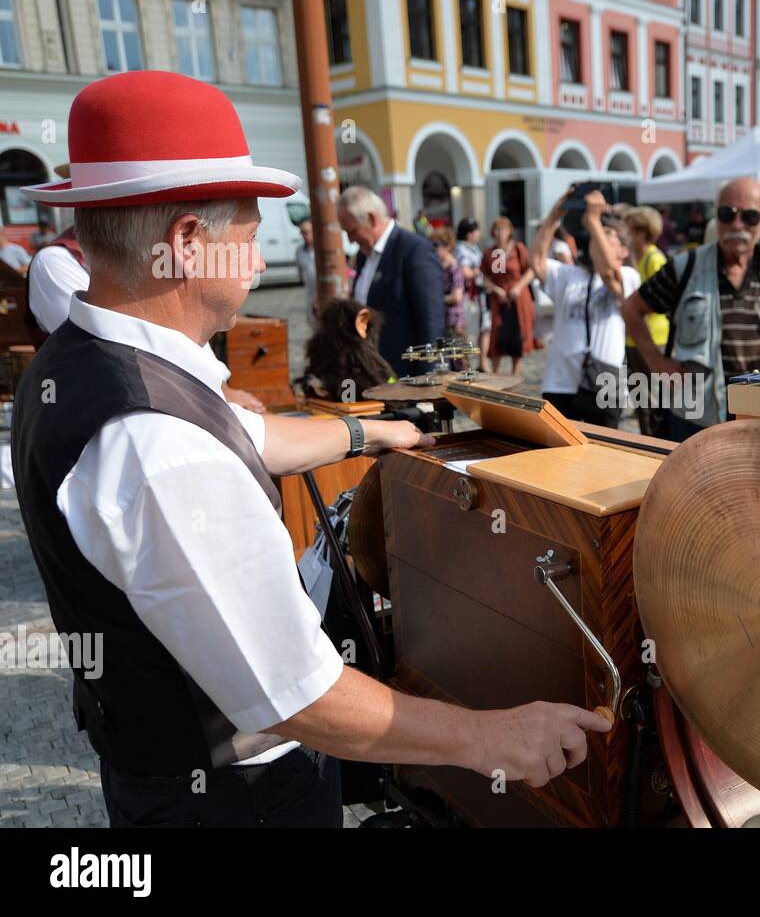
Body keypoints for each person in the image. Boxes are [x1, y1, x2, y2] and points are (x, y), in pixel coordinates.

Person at [11, 70, 607, 828]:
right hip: (240, 803)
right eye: (252, 236)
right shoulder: (159, 447)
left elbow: (249, 437)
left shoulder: (78, 358)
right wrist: (494, 737)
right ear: (188, 245)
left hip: (156, 773)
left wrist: (369, 431)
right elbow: (297, 693)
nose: (262, 262)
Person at [622, 176, 760, 440]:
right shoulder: (685, 267)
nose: (737, 224)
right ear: (716, 217)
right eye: (726, 214)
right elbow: (631, 309)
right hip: (698, 420)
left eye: (750, 216)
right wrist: (657, 362)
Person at [24, 222, 265, 412]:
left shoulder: (134, 254)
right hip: (91, 420)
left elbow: (176, 328)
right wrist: (221, 397)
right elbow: (110, 346)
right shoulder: (54, 261)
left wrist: (221, 389)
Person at [531, 190, 639, 428]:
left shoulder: (629, 276)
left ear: (624, 251)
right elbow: (537, 261)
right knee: (557, 456)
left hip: (604, 384)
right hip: (560, 382)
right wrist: (554, 215)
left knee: (603, 456)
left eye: (607, 233)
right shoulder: (569, 275)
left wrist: (593, 220)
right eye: (595, 233)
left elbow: (610, 272)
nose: (597, 235)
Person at [336, 185, 446, 378]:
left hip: (408, 374)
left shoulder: (415, 250)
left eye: (352, 231)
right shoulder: (363, 256)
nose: (350, 240)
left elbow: (432, 321)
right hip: (376, 371)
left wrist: (429, 380)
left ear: (371, 218)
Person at [624, 206, 669, 437]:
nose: (628, 236)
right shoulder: (639, 259)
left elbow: (659, 301)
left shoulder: (654, 258)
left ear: (643, 233)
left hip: (653, 337)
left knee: (652, 399)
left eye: (631, 230)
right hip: (635, 338)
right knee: (641, 398)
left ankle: (655, 444)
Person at [299, 298, 395, 401]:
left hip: (364, 405)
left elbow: (386, 382)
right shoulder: (327, 349)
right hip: (343, 404)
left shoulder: (365, 358)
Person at [482, 217, 536, 375]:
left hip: (518, 299)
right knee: (497, 335)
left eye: (503, 229)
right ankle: (495, 375)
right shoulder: (490, 252)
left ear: (510, 231)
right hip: (498, 300)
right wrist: (495, 289)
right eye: (497, 230)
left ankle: (515, 375)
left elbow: (531, 271)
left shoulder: (518, 249)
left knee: (517, 335)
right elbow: (485, 277)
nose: (500, 233)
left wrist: (518, 287)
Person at [453, 218, 487, 370]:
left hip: (478, 294)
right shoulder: (461, 249)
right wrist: (482, 270)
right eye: (476, 231)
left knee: (482, 328)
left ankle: (480, 363)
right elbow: (465, 272)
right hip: (468, 295)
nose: (478, 233)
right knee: (467, 332)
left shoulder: (474, 247)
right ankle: (465, 366)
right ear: (469, 233)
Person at [430, 226, 466, 339]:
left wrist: (434, 299)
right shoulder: (436, 266)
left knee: (455, 355)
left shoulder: (454, 268)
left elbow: (457, 297)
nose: (432, 249)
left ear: (448, 247)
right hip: (440, 320)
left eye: (436, 245)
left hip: (453, 322)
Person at [297, 218, 317, 317]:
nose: (307, 236)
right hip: (309, 293)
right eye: (303, 233)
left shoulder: (320, 250)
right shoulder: (300, 251)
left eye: (308, 232)